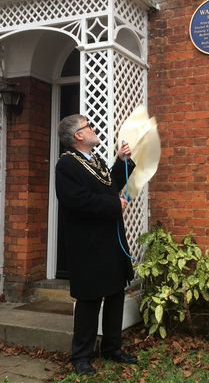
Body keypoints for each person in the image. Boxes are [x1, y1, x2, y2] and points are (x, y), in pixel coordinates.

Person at [55, 114, 137, 376]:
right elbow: (76, 200)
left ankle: (112, 348)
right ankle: (81, 356)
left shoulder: (96, 161)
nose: (93, 129)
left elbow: (109, 187)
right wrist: (114, 205)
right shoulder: (66, 165)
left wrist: (122, 162)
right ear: (78, 136)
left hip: (110, 240)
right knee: (90, 300)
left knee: (114, 294)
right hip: (88, 245)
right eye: (88, 126)